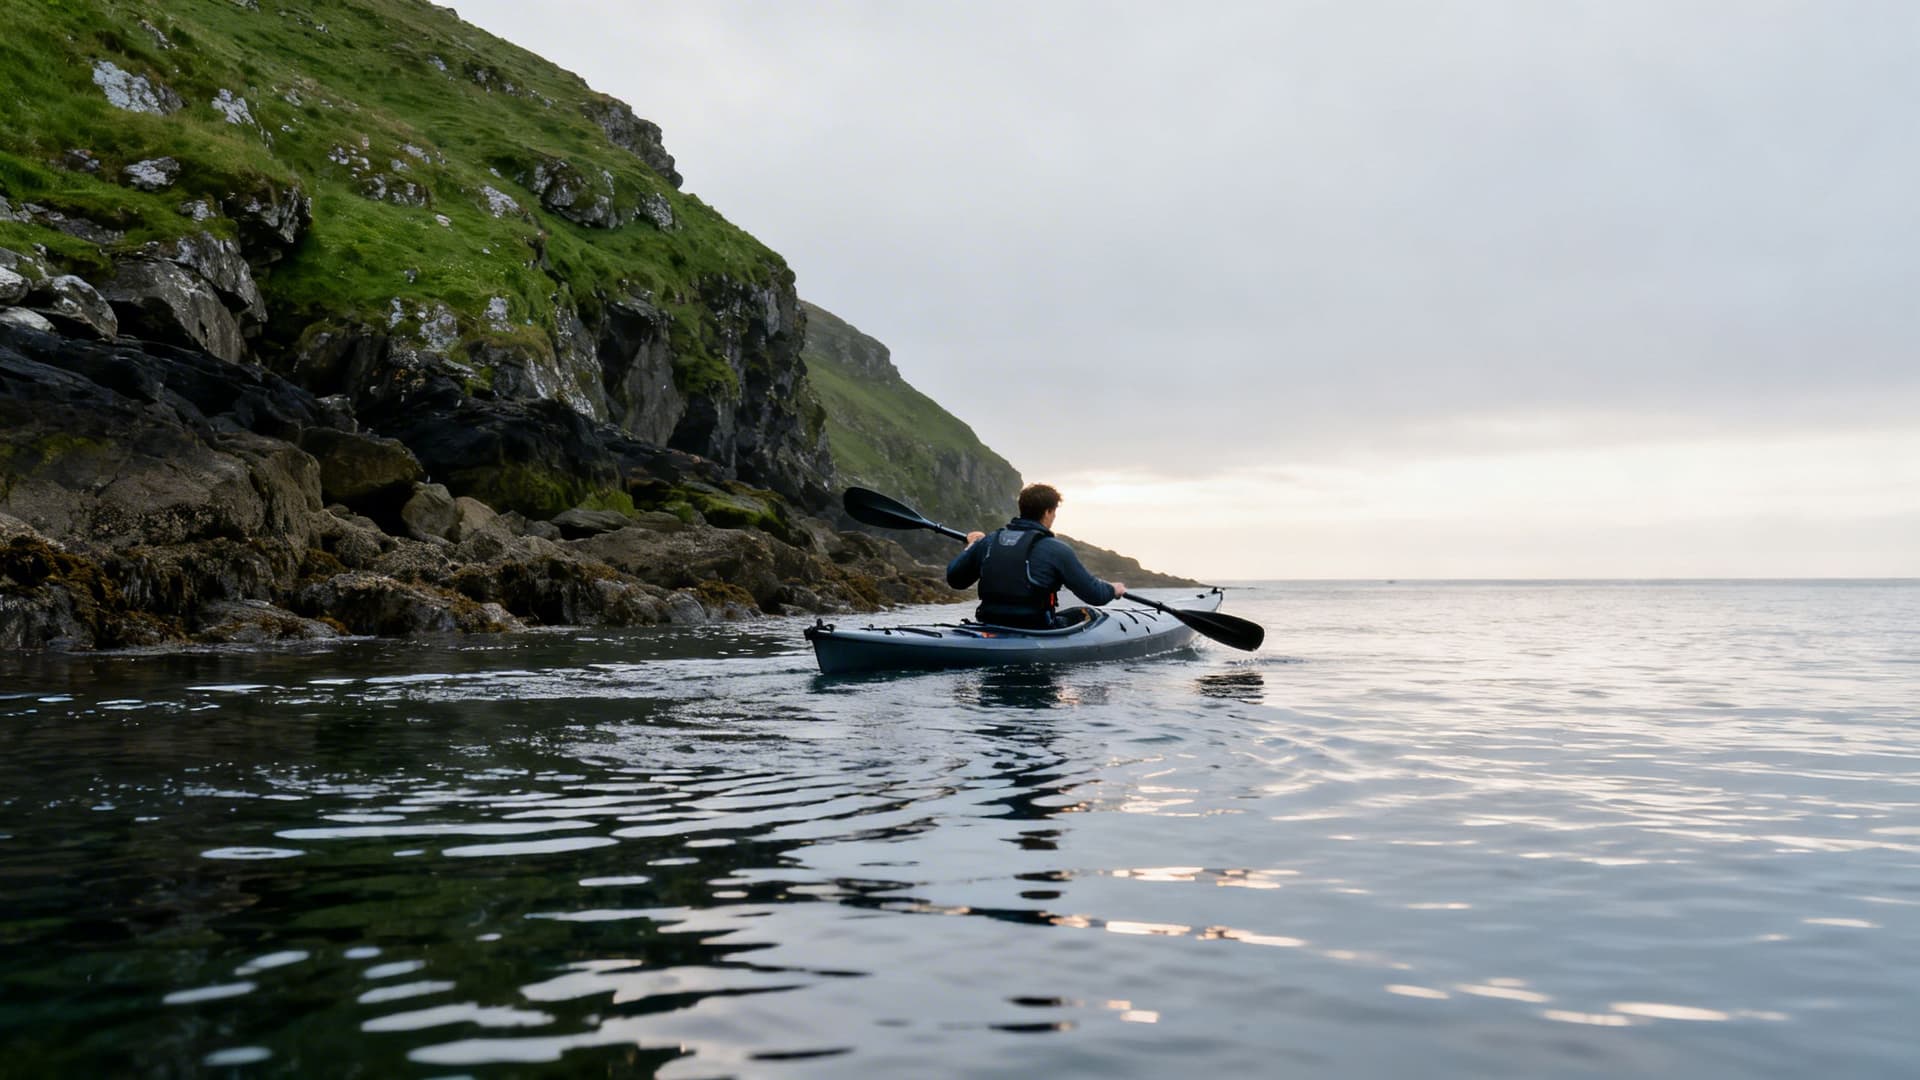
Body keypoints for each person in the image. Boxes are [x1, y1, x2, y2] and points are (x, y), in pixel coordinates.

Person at [946, 483, 1126, 629]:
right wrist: (1113, 589)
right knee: (1087, 614)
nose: (1054, 516)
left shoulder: (988, 542)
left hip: (990, 623)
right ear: (1048, 512)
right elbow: (1094, 594)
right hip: (1035, 628)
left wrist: (973, 545)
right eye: (1054, 512)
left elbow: (955, 579)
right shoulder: (1056, 549)